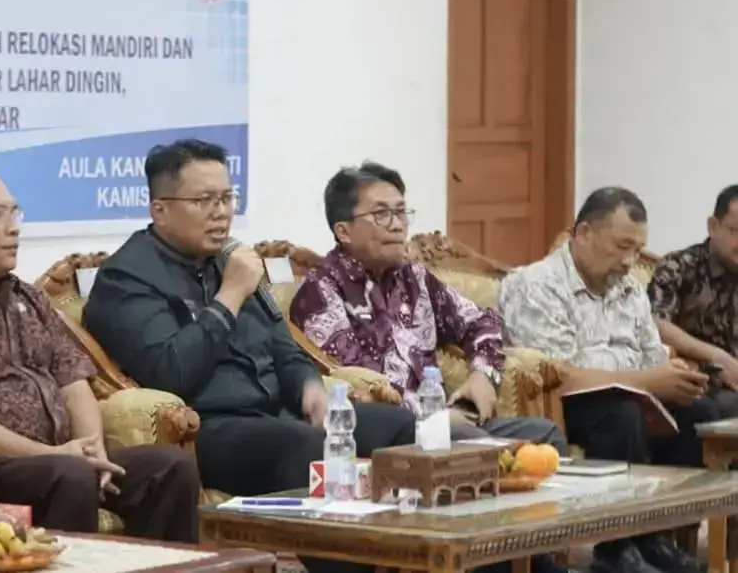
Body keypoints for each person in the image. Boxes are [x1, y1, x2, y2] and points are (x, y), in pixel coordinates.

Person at [83, 139, 416, 573]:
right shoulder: (126, 280)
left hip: (277, 414)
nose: (221, 212)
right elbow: (171, 371)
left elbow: (284, 345)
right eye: (204, 201)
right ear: (159, 209)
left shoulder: (229, 260)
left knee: (399, 427)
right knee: (305, 447)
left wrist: (309, 388)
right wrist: (230, 297)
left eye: (226, 198)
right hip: (210, 427)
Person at [0, 168, 199, 542]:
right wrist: (56, 455)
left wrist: (92, 449)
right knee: (70, 476)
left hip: (67, 458)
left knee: (170, 467)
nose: (13, 228)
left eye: (14, 213)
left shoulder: (28, 298)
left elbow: (73, 380)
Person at [499, 187, 712, 573]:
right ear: (584, 233)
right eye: (622, 246)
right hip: (565, 403)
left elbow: (651, 354)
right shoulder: (536, 284)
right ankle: (615, 547)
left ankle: (656, 536)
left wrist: (675, 377)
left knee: (701, 414)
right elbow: (557, 373)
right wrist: (648, 381)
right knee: (620, 414)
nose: (630, 261)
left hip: (633, 393)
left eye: (638, 250)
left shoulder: (629, 288)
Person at [290, 162, 566, 449]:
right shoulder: (321, 291)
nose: (397, 225)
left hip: (449, 421)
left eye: (401, 212)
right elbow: (358, 384)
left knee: (544, 435)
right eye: (381, 214)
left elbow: (481, 321)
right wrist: (435, 420)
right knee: (472, 443)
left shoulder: (414, 277)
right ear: (344, 231)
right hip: (392, 435)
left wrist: (483, 375)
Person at [648, 184, 738, 417]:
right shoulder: (679, 266)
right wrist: (717, 356)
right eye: (736, 230)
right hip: (698, 382)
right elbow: (655, 322)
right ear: (713, 226)